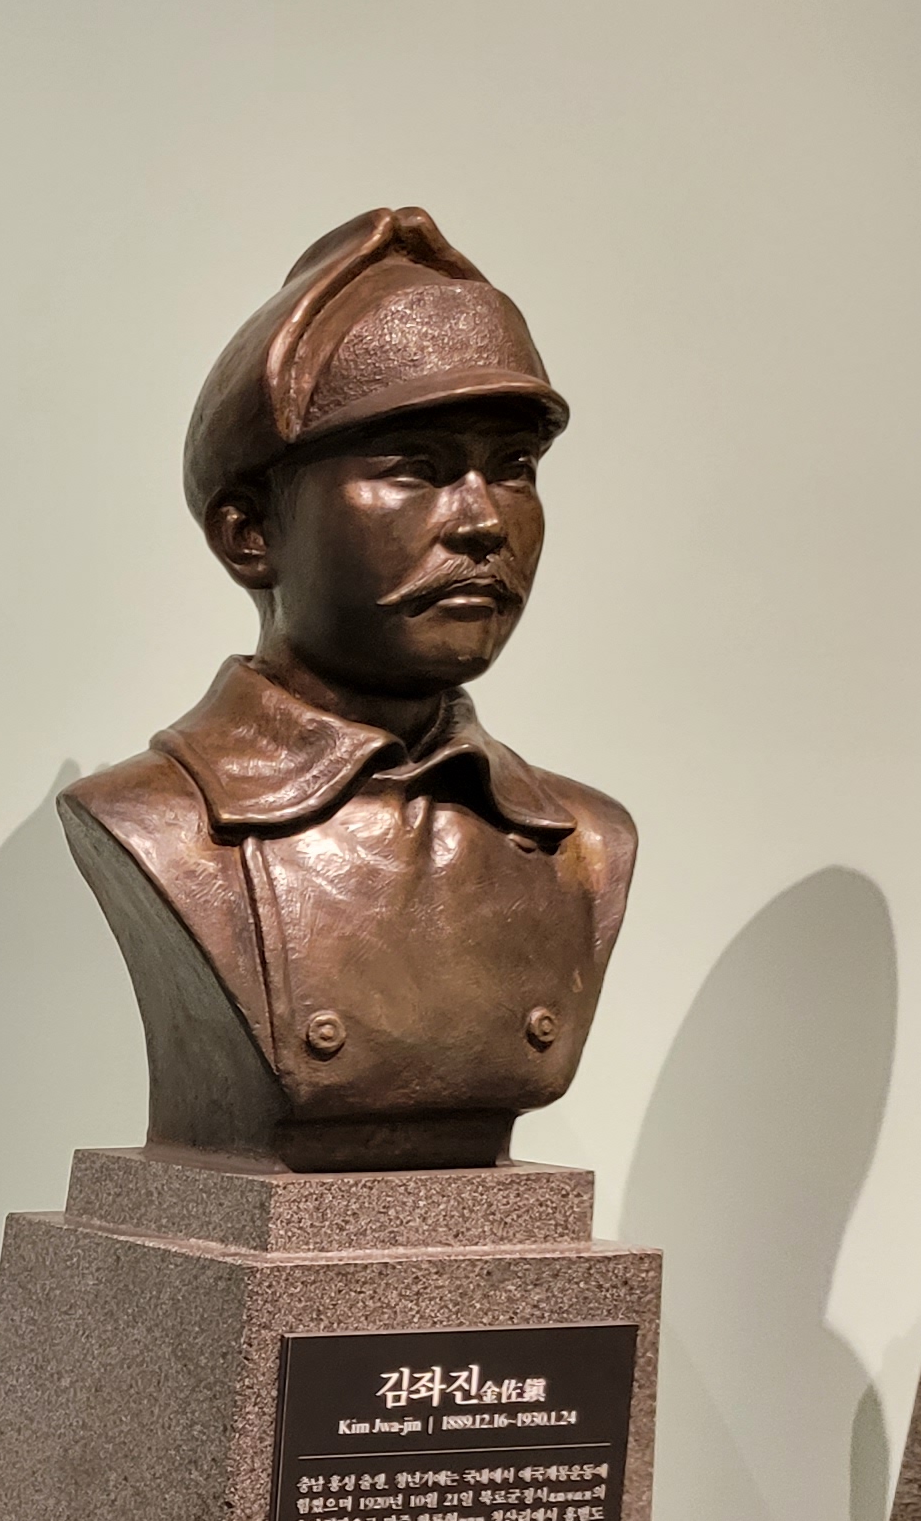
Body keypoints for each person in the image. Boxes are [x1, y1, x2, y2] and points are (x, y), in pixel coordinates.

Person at [62, 210, 636, 1169]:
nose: (483, 522)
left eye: (514, 469)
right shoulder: (155, 824)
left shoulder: (585, 843)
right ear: (250, 533)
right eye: (416, 469)